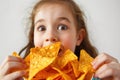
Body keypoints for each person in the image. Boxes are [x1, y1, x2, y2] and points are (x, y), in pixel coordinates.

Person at [0, 0, 120, 80]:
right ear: (33, 37)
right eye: (42, 28)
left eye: (62, 27)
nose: (50, 35)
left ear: (78, 37)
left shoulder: (97, 77)